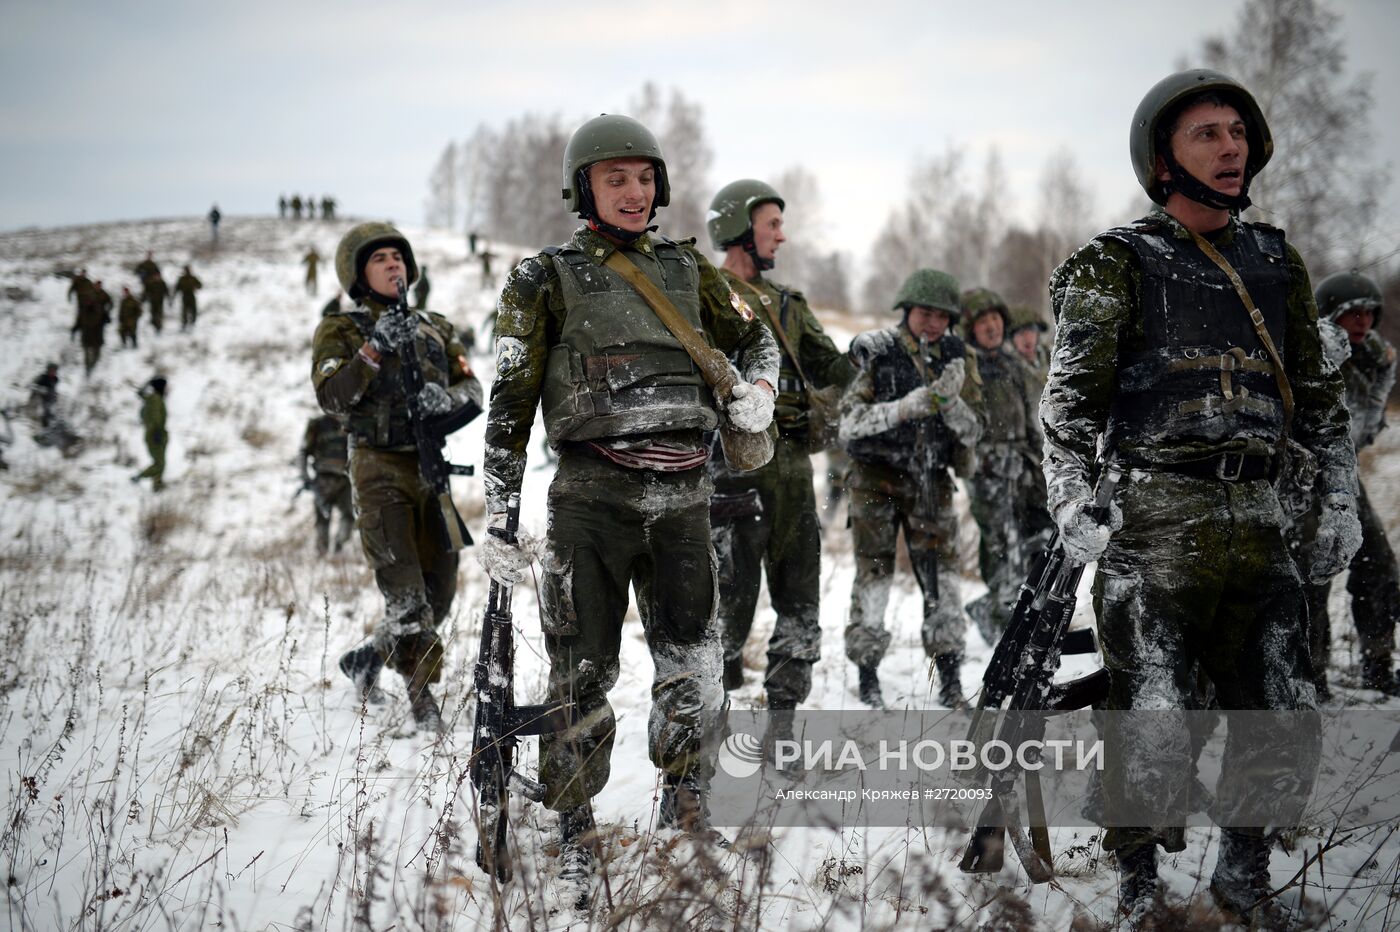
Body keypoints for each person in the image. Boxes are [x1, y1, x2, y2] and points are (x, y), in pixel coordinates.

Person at [1041, 70, 1360, 925]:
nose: (1231, 148)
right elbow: (1067, 410)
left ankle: (1242, 878)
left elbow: (1322, 404)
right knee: (1147, 723)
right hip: (1156, 520)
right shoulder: (1116, 263)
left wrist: (1337, 501)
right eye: (1206, 135)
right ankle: (1139, 892)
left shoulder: (1274, 260)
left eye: (1236, 132)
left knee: (1282, 714)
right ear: (1162, 159)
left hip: (1260, 521)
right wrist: (1075, 504)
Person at [478, 113, 779, 888]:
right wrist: (501, 516)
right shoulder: (541, 277)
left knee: (692, 660)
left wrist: (761, 390)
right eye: (616, 179)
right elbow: (509, 402)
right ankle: (575, 824)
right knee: (582, 671)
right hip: (592, 497)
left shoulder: (689, 269)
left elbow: (757, 339)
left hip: (684, 495)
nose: (634, 193)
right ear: (585, 188)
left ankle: (684, 808)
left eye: (645, 178)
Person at [312, 222, 483, 732]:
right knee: (405, 594)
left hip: (431, 466)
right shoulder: (341, 330)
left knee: (441, 592)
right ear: (358, 274)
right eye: (379, 259)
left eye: (398, 257)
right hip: (377, 465)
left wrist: (447, 401)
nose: (393, 265)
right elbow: (332, 397)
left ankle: (369, 658)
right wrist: (373, 350)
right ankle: (423, 704)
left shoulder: (437, 328)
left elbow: (472, 390)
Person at [703, 179, 853, 722]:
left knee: (799, 588)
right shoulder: (705, 292)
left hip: (791, 464)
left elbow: (832, 365)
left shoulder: (790, 304)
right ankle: (707, 725)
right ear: (739, 228)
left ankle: (784, 715)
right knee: (726, 596)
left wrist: (872, 355)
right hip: (730, 463)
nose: (781, 236)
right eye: (771, 225)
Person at [839, 269, 983, 710]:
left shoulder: (960, 360)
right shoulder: (879, 353)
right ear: (907, 311)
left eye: (943, 316)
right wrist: (903, 409)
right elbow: (848, 423)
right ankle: (867, 675)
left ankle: (951, 676)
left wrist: (950, 402)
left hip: (931, 481)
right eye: (925, 313)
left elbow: (976, 431)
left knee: (943, 581)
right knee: (874, 577)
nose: (933, 323)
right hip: (875, 479)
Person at [1306, 269, 1399, 695]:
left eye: (1369, 313)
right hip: (1300, 481)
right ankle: (1310, 677)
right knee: (1312, 579)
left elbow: (1368, 423)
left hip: (1346, 478)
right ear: (1330, 315)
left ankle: (1378, 666)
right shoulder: (1310, 351)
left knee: (1378, 566)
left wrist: (1384, 375)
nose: (1363, 321)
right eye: (1352, 313)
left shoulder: (1375, 357)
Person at [959, 288, 1053, 643]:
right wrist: (982, 461)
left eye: (996, 319)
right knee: (1000, 543)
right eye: (982, 322)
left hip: (1024, 464)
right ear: (971, 328)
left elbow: (1031, 419)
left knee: (1036, 536)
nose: (991, 327)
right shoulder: (966, 368)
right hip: (988, 470)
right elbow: (962, 426)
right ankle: (1000, 615)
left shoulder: (1014, 365)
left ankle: (1026, 612)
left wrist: (1039, 459)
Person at [301, 413, 355, 556]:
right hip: (324, 479)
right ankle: (323, 553)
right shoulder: (318, 424)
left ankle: (338, 549)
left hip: (346, 478)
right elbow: (304, 451)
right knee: (323, 518)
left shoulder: (352, 422)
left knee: (348, 516)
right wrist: (305, 477)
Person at [133, 376, 168, 491]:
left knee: (160, 462)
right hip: (155, 434)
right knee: (159, 464)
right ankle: (138, 477)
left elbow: (140, 393)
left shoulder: (152, 398)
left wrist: (147, 384)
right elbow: (154, 417)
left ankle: (157, 485)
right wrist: (156, 432)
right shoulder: (155, 399)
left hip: (157, 433)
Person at [1008, 304, 1051, 392]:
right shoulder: (1009, 369)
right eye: (1020, 332)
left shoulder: (1052, 357)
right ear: (1012, 339)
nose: (1027, 337)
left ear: (1038, 334)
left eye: (1031, 330)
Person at [72, 278, 111, 374]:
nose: (87, 302)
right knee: (86, 350)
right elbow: (79, 320)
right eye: (86, 301)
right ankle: (87, 368)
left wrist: (106, 315)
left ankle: (94, 366)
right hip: (86, 334)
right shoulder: (83, 310)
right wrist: (74, 329)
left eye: (89, 301)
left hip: (96, 333)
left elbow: (108, 307)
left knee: (96, 351)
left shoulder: (99, 308)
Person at [174, 265, 202, 331]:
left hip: (191, 296)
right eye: (186, 270)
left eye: (188, 270)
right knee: (184, 311)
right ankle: (184, 324)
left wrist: (196, 287)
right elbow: (177, 288)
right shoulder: (181, 279)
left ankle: (193, 323)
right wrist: (174, 295)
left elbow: (200, 285)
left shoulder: (193, 278)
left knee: (193, 310)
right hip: (185, 296)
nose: (187, 271)